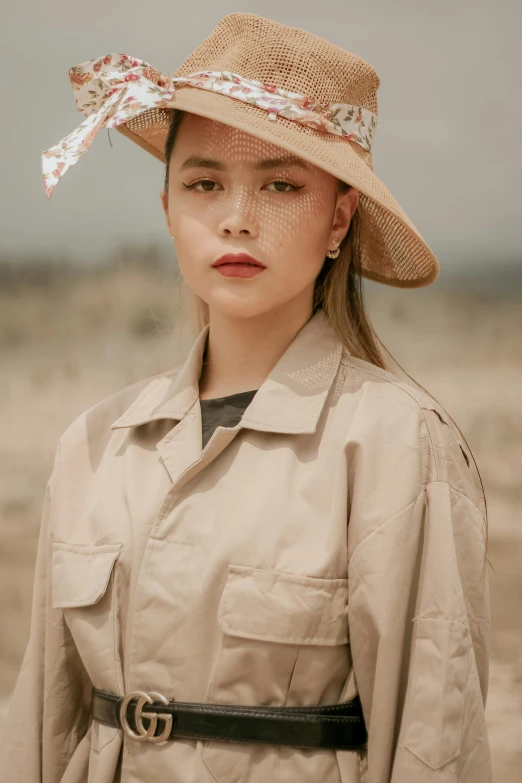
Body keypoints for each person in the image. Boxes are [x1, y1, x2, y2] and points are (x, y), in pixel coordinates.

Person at [0, 12, 492, 783]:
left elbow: (436, 738)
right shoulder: (93, 444)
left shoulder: (396, 444)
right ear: (167, 209)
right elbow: (37, 727)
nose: (236, 216)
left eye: (281, 184)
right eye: (203, 183)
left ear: (338, 218)